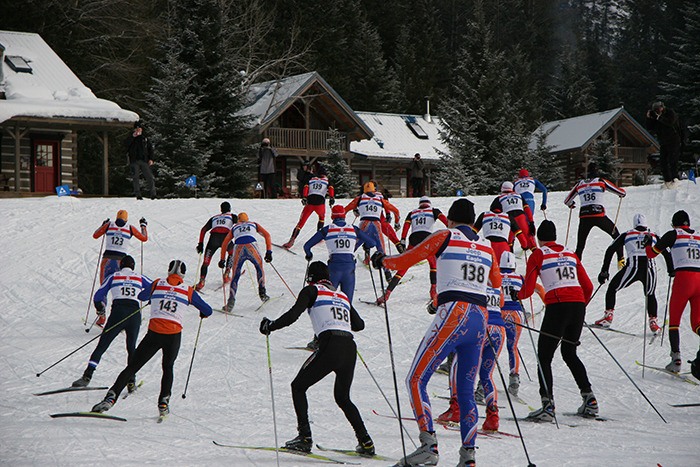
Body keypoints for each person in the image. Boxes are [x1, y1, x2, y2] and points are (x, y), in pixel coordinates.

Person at [371, 198, 501, 467]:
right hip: (480, 318)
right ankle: (469, 456)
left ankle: (428, 444)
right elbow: (497, 284)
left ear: (451, 220)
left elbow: (409, 258)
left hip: (454, 312)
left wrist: (383, 260)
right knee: (465, 391)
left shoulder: (445, 235)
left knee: (416, 379)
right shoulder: (487, 246)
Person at [258, 261, 374, 456]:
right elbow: (359, 325)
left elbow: (293, 315)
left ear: (311, 277)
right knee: (343, 397)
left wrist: (271, 326)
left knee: (298, 386)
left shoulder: (311, 290)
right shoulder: (342, 295)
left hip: (330, 345)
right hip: (349, 347)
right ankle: (366, 442)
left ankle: (304, 438)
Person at [91, 260, 212, 416]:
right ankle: (163, 402)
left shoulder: (157, 283)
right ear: (183, 274)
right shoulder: (187, 290)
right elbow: (208, 310)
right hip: (173, 336)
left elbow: (142, 295)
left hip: (154, 333)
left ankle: (111, 397)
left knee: (132, 367)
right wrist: (201, 312)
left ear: (169, 271)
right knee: (167, 368)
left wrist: (155, 297)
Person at [518, 220, 597, 422]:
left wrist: (515, 295)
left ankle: (547, 406)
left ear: (539, 238)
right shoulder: (570, 253)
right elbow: (588, 286)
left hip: (557, 305)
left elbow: (527, 290)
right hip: (577, 304)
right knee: (569, 353)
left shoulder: (539, 254)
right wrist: (580, 306)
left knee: (544, 356)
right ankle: (589, 399)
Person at [72, 255, 151, 390]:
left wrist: (100, 308)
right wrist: (149, 298)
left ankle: (87, 376)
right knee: (131, 348)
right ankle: (131, 381)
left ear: (121, 266)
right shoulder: (139, 277)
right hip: (134, 314)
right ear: (133, 266)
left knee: (102, 345)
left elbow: (98, 296)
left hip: (118, 313)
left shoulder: (114, 276)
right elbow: (155, 287)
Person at [437, 282, 505, 433]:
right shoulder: (496, 283)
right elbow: (501, 303)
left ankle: (456, 408)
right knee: (487, 374)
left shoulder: (474, 282)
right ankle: (492, 417)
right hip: (499, 330)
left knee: (457, 363)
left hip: (481, 325)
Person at [594, 213, 672, 332]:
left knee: (612, 288)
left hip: (632, 268)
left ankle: (608, 317)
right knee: (650, 294)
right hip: (649, 269)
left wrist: (604, 270)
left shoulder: (627, 234)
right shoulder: (654, 235)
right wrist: (671, 269)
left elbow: (610, 249)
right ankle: (653, 323)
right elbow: (666, 252)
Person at [644, 210, 700, 373]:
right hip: (699, 279)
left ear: (674, 223)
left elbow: (651, 254)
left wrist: (648, 242)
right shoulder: (697, 236)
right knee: (697, 323)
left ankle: (676, 360)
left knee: (674, 321)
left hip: (684, 279)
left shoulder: (674, 234)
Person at [376, 196, 448, 306]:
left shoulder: (412, 212)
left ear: (419, 204)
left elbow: (406, 226)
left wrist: (403, 240)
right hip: (427, 238)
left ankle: (387, 293)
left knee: (404, 266)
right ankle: (433, 291)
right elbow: (445, 221)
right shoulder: (434, 211)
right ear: (429, 203)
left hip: (413, 239)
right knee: (433, 264)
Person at [303, 205, 375, 305]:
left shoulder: (327, 229)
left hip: (334, 267)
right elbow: (372, 242)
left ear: (332, 216)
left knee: (329, 300)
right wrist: (365, 244)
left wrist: (309, 254)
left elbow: (307, 246)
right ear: (344, 216)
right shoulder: (353, 229)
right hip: (349, 268)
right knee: (347, 303)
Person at [499, 251, 544, 397]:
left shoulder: (494, 277)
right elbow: (539, 288)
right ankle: (514, 379)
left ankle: (482, 386)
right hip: (516, 314)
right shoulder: (519, 277)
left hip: (498, 313)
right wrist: (548, 303)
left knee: (492, 347)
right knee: (512, 346)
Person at [92, 210, 148, 326]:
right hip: (120, 262)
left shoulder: (109, 225)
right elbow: (144, 238)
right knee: (118, 290)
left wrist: (103, 225)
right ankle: (119, 318)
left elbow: (95, 235)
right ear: (126, 219)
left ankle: (102, 317)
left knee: (104, 288)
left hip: (106, 260)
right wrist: (143, 226)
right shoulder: (130, 228)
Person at [563, 165, 626, 261]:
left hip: (584, 216)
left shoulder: (580, 184)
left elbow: (567, 200)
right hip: (598, 215)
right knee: (616, 235)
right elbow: (621, 192)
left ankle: (576, 266)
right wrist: (621, 194)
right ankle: (621, 259)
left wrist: (571, 204)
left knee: (580, 245)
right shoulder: (600, 181)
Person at [344, 181, 400, 281]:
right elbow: (395, 210)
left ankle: (342, 268)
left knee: (352, 247)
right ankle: (388, 275)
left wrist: (341, 222)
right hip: (376, 224)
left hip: (364, 224)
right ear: (375, 189)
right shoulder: (379, 198)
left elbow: (345, 210)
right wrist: (396, 222)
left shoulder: (360, 198)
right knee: (381, 249)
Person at [219, 212, 273, 312]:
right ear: (247, 219)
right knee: (259, 268)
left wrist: (222, 259)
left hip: (238, 248)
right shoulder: (253, 224)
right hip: (251, 246)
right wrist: (269, 252)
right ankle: (262, 293)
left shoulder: (235, 227)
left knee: (235, 275)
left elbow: (225, 243)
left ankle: (230, 302)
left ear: (238, 220)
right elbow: (267, 235)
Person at [281, 166, 335, 249]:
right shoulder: (327, 180)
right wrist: (331, 198)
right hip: (320, 203)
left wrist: (305, 197)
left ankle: (291, 241)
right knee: (321, 218)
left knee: (301, 223)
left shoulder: (311, 179)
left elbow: (306, 187)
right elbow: (331, 188)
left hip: (310, 202)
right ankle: (319, 237)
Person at [195, 202, 237, 291]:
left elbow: (203, 230)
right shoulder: (232, 216)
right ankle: (227, 273)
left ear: (221, 209)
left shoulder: (214, 217)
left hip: (213, 239)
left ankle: (201, 281)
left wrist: (200, 244)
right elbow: (238, 226)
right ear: (229, 209)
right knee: (231, 253)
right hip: (226, 239)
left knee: (206, 262)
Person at [645, 101, 683, 189]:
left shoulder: (670, 113)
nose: (657, 111)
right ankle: (667, 180)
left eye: (658, 109)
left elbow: (670, 122)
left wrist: (658, 117)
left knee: (673, 160)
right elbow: (650, 128)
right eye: (655, 110)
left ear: (662, 107)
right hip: (663, 142)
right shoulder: (655, 117)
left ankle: (675, 178)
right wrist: (649, 118)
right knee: (663, 162)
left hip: (674, 140)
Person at [492, 181, 536, 251]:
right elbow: (527, 209)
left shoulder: (499, 198)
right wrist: (531, 222)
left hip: (509, 218)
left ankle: (510, 255)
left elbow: (494, 213)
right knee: (529, 237)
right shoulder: (519, 196)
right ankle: (536, 254)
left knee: (509, 240)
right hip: (521, 217)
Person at [125, 121, 156, 200]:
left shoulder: (145, 139)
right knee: (135, 177)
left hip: (144, 160)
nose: (138, 130)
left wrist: (151, 159)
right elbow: (126, 145)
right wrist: (133, 136)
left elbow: (150, 149)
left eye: (139, 128)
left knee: (149, 177)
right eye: (137, 129)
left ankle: (153, 194)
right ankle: (138, 194)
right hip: (134, 160)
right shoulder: (131, 138)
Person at [474, 199, 512, 263]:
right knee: (503, 269)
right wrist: (524, 245)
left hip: (488, 245)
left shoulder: (484, 215)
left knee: (487, 268)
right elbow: (518, 233)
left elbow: (473, 232)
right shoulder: (508, 216)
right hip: (503, 246)